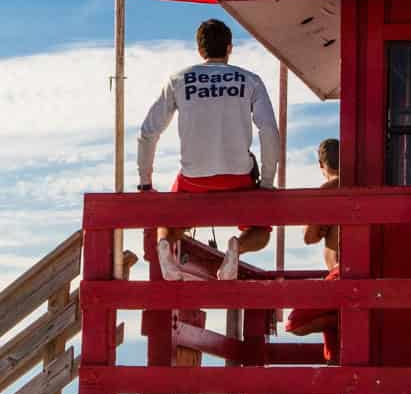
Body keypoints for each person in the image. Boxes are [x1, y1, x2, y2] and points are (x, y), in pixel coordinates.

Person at [137, 19, 280, 280]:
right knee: (261, 230)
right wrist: (267, 184)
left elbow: (148, 132)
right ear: (229, 48)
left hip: (194, 180)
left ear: (200, 50)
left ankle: (166, 250)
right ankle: (238, 247)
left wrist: (145, 183)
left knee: (168, 223)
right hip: (239, 179)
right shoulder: (251, 80)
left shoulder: (178, 80)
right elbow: (269, 131)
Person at [284, 138, 342, 358]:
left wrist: (321, 225)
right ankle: (337, 320)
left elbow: (309, 237)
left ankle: (338, 320)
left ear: (320, 164)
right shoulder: (355, 185)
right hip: (338, 278)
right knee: (337, 355)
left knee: (295, 322)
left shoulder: (329, 188)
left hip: (340, 275)